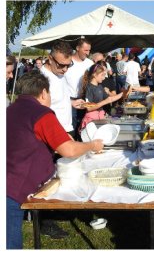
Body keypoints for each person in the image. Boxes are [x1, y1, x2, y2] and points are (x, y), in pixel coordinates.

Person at [7, 71, 104, 248]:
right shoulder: (40, 113)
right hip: (12, 190)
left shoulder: (10, 110)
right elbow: (69, 150)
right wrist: (92, 145)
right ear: (44, 93)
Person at [40, 41, 85, 139]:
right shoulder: (41, 79)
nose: (65, 69)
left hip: (67, 128)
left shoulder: (59, 72)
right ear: (50, 59)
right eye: (61, 65)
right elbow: (40, 111)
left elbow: (57, 98)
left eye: (68, 65)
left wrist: (72, 102)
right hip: (54, 132)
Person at [79, 62, 123, 129]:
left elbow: (110, 99)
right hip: (91, 120)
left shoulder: (99, 86)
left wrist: (122, 94)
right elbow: (89, 107)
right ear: (94, 75)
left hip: (100, 117)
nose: (103, 78)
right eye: (102, 75)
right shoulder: (89, 88)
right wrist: (104, 102)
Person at [63, 38, 94, 131]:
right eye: (85, 50)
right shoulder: (67, 62)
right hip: (69, 101)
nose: (88, 53)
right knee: (70, 128)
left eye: (89, 50)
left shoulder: (90, 63)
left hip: (84, 101)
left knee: (83, 128)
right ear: (77, 48)